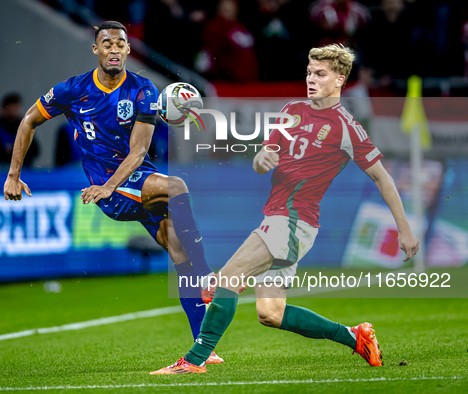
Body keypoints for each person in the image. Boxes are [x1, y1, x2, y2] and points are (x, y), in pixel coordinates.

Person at [151, 44, 420, 374]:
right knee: (271, 313)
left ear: (339, 80)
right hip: (278, 219)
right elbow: (262, 161)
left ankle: (195, 360)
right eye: (309, 72)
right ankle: (355, 337)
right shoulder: (292, 109)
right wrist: (260, 159)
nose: (311, 79)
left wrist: (404, 230)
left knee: (227, 280)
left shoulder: (346, 126)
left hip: (293, 221)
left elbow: (383, 178)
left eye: (320, 74)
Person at [3, 21, 222, 364]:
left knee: (181, 256)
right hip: (114, 194)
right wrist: (13, 175)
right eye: (107, 43)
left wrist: (109, 185)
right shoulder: (72, 90)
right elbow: (28, 120)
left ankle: (203, 352)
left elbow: (138, 152)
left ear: (129, 50)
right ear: (96, 50)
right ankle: (210, 278)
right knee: (177, 186)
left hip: (130, 182)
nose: (114, 49)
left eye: (121, 43)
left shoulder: (144, 89)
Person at [0, 93, 39, 170]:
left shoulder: (25, 125)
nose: (15, 112)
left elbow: (34, 149)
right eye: (13, 109)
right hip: (0, 168)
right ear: (4, 109)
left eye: (17, 109)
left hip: (23, 167)